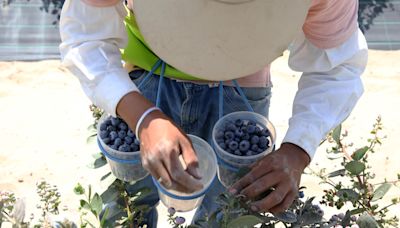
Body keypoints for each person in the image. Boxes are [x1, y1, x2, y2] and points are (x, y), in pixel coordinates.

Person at [59, 0, 368, 226]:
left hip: (241, 94)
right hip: (146, 82)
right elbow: (86, 36)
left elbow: (338, 67)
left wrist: (297, 149)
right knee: (126, 212)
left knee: (225, 216)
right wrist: (142, 117)